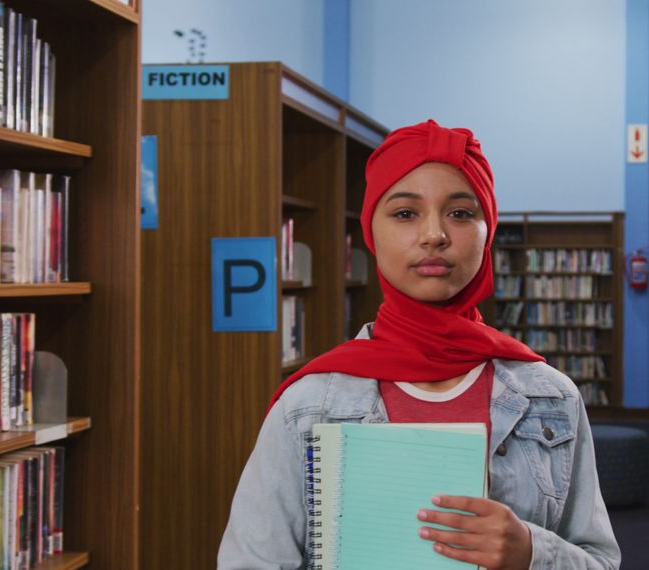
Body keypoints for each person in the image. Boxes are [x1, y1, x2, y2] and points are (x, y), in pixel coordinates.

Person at [218, 119, 621, 570]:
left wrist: (530, 553)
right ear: (371, 232)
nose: (435, 235)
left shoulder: (552, 397)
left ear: (489, 231)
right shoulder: (306, 404)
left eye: (461, 213)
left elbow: (600, 561)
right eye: (406, 213)